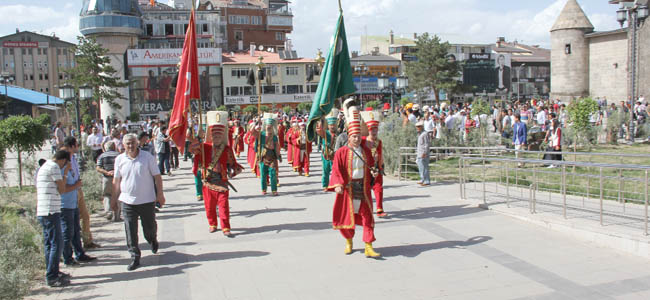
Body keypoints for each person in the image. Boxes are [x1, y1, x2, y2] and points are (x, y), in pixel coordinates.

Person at [327, 99, 380, 258]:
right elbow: (336, 169)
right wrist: (337, 184)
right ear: (349, 136)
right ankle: (349, 242)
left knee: (368, 218)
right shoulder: (342, 152)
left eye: (358, 136)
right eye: (354, 136)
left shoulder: (365, 150)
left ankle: (368, 246)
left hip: (363, 190)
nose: (357, 139)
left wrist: (375, 172)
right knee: (346, 219)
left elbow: (372, 166)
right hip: (348, 190)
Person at [111, 133, 165, 271]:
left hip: (146, 200)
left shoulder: (147, 157)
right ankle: (135, 256)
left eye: (133, 143)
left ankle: (152, 239)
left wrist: (160, 194)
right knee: (130, 229)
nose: (130, 146)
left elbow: (157, 177)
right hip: (127, 201)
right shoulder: (119, 160)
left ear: (137, 143)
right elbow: (116, 181)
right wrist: (114, 199)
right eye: (128, 143)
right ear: (123, 145)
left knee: (149, 227)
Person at [190, 111, 244, 236]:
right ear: (211, 136)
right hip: (208, 182)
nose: (217, 138)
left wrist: (233, 170)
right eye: (214, 136)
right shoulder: (204, 147)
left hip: (222, 181)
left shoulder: (226, 149)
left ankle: (226, 227)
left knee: (224, 206)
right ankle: (212, 224)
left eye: (219, 137)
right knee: (209, 206)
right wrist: (196, 138)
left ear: (222, 137)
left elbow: (232, 163)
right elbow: (193, 150)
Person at [59, 138, 97, 266]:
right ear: (71, 146)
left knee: (77, 225)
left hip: (75, 192)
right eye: (76, 146)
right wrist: (74, 185)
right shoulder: (61, 159)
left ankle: (80, 251)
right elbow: (61, 186)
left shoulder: (72, 157)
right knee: (68, 231)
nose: (78, 148)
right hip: (66, 199)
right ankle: (68, 257)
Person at [37, 150, 72, 287]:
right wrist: (65, 172)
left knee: (49, 243)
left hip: (44, 210)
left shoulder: (45, 166)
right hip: (51, 210)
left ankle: (53, 271)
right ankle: (52, 276)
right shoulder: (54, 167)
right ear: (63, 160)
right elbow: (62, 189)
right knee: (57, 243)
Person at [361, 110, 386, 217]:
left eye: (376, 129)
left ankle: (379, 209)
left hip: (377, 168)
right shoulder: (362, 141)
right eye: (372, 129)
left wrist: (381, 165)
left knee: (379, 188)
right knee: (365, 190)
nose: (374, 132)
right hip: (365, 169)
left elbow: (381, 154)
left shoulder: (379, 142)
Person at [256, 113, 282, 196]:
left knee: (273, 174)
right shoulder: (261, 135)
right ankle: (264, 189)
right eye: (267, 125)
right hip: (263, 157)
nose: (268, 127)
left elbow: (277, 146)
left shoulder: (274, 137)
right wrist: (257, 123)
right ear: (265, 125)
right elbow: (252, 132)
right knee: (263, 175)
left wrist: (279, 155)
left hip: (272, 157)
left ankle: (274, 190)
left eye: (270, 126)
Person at [96, 141, 120, 222]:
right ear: (114, 147)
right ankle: (117, 215)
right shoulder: (119, 155)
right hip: (117, 178)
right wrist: (115, 171)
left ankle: (109, 211)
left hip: (107, 178)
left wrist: (106, 172)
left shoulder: (102, 156)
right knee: (118, 195)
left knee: (107, 195)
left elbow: (98, 168)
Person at [318, 109, 339, 191]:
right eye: (331, 125)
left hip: (335, 155)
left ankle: (335, 184)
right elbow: (319, 131)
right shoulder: (325, 132)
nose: (332, 126)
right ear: (328, 125)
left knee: (335, 171)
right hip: (326, 155)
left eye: (334, 124)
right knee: (326, 171)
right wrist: (320, 120)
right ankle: (325, 185)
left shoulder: (338, 134)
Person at [416, 120, 431, 186]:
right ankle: (422, 179)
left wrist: (425, 152)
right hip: (419, 153)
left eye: (419, 126)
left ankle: (426, 180)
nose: (417, 128)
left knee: (424, 167)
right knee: (421, 167)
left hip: (423, 153)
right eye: (417, 127)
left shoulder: (425, 134)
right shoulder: (420, 134)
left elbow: (426, 144)